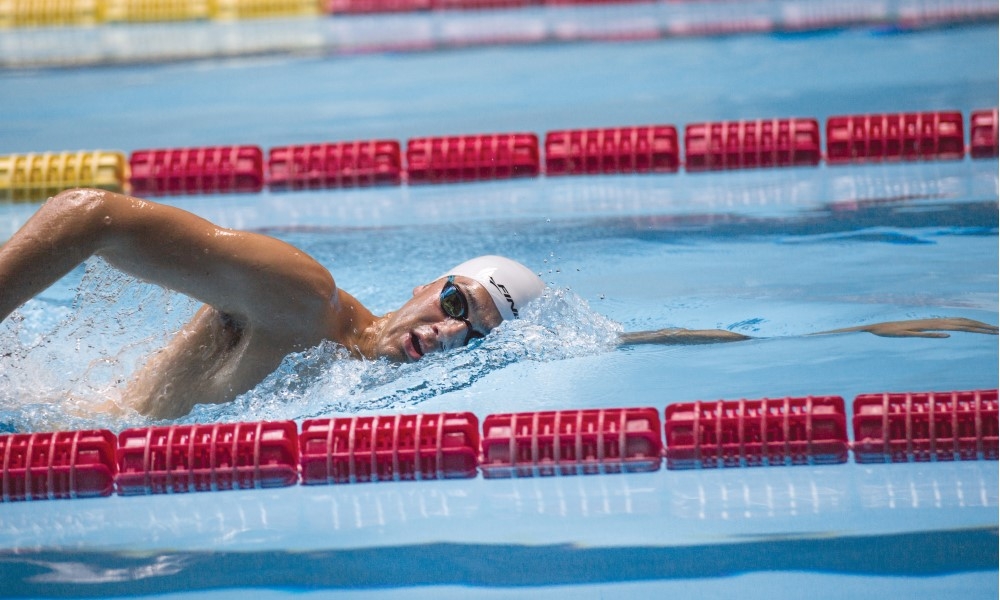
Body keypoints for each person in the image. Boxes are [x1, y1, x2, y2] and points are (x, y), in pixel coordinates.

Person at [0, 189, 995, 419]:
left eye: (470, 330)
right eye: (452, 300)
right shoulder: (304, 300)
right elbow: (90, 215)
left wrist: (874, 329)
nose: (443, 330)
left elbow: (639, 339)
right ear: (423, 283)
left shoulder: (349, 368)